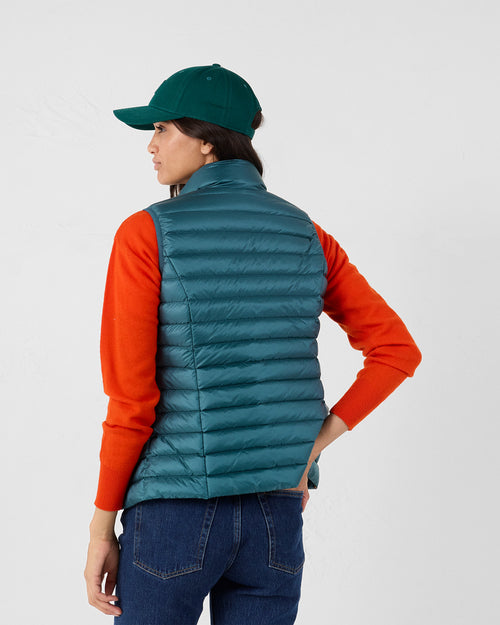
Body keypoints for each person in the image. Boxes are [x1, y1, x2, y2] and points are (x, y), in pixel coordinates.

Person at [84, 63, 422, 624]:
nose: (151, 145)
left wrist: (101, 526)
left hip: (173, 514)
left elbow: (131, 401)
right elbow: (396, 351)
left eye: (163, 128)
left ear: (208, 142)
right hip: (275, 516)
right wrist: (308, 449)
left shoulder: (147, 233)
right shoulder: (308, 234)